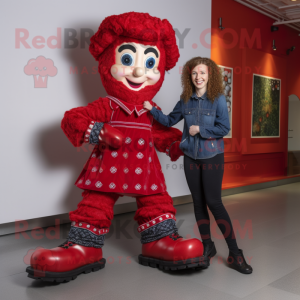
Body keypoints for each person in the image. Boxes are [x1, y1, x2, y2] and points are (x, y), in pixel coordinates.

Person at [143, 56, 253, 274]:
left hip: (212, 156)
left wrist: (200, 131)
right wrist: (151, 109)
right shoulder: (185, 99)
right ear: (189, 76)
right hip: (190, 157)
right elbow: (168, 120)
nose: (198, 77)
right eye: (194, 73)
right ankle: (207, 245)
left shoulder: (218, 99)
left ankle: (235, 253)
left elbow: (224, 128)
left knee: (214, 202)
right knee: (198, 202)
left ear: (209, 75)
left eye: (202, 73)